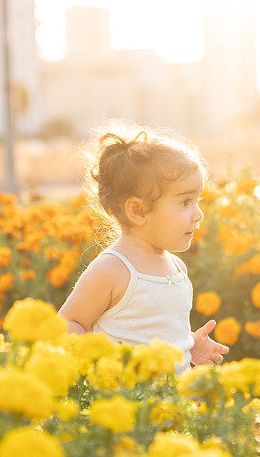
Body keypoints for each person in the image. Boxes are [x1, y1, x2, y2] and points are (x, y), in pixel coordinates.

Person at [58, 125, 227, 375]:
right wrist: (101, 364)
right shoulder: (113, 269)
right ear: (138, 211)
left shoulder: (176, 266)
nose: (198, 213)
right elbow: (68, 323)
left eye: (197, 201)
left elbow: (155, 331)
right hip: (127, 406)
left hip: (172, 403)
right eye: (185, 202)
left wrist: (188, 345)